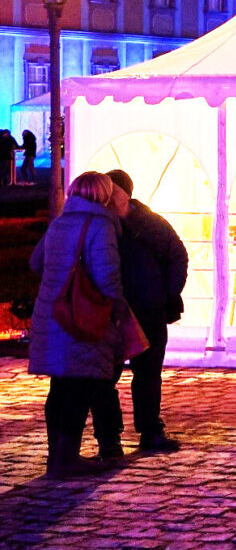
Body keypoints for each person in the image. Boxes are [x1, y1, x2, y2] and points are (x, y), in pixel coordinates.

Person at [28, 171, 132, 477]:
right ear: (104, 194)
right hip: (83, 316)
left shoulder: (60, 221)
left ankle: (55, 456)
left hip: (52, 314)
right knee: (80, 387)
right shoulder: (100, 225)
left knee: (59, 386)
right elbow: (107, 276)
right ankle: (67, 458)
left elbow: (36, 263)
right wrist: (119, 308)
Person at [106, 169, 188, 454]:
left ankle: (150, 431)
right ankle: (109, 438)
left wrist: (166, 294)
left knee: (148, 374)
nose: (109, 196)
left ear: (126, 193)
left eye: (113, 191)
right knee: (105, 376)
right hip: (112, 312)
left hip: (148, 309)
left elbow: (177, 254)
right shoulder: (102, 224)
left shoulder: (151, 223)